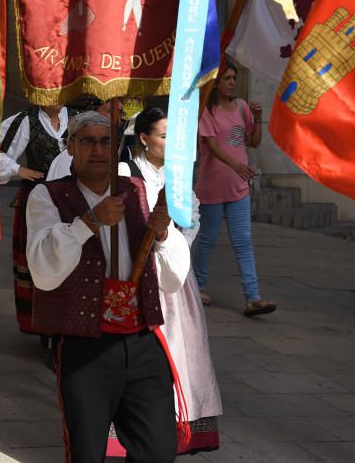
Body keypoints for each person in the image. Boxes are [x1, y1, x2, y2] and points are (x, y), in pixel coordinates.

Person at [26, 111, 190, 462]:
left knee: (158, 450)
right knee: (87, 451)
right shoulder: (48, 195)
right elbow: (43, 269)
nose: (99, 150)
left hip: (142, 341)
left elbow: (174, 275)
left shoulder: (138, 190)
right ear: (70, 147)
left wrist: (161, 233)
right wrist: (89, 222)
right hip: (86, 344)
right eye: (88, 141)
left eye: (106, 141)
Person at [119, 107, 220, 455]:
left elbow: (192, 218)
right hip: (134, 271)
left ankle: (175, 426)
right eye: (164, 136)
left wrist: (170, 246)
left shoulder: (178, 178)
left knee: (180, 348)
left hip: (173, 274)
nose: (170, 143)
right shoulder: (125, 172)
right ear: (144, 139)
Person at [192, 64, 276, 316]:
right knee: (207, 239)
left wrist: (257, 118)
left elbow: (253, 141)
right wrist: (236, 165)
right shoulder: (207, 109)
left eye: (233, 78)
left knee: (243, 241)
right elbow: (212, 146)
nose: (231, 83)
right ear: (215, 83)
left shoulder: (241, 107)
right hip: (212, 187)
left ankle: (253, 297)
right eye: (226, 79)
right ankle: (198, 287)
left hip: (238, 188)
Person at [0, 103, 68, 333]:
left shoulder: (76, 117)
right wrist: (19, 170)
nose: (58, 98)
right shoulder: (26, 120)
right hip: (38, 202)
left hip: (70, 201)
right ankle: (41, 325)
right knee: (40, 260)